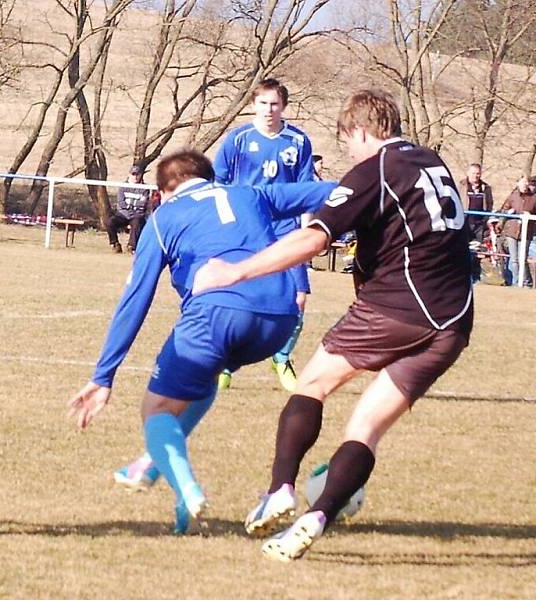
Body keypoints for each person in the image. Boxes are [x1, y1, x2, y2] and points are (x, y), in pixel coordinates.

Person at [193, 89, 473, 561]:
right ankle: (315, 517)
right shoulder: (430, 159)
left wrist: (235, 271)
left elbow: (312, 239)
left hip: (399, 306)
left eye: (347, 143)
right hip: (455, 317)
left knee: (311, 384)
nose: (348, 153)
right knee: (364, 427)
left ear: (360, 131)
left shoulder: (373, 170)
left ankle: (281, 489)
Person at [68, 149, 335, 533]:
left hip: (218, 312)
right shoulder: (249, 194)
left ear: (162, 192)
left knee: (155, 409)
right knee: (205, 379)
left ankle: (187, 490)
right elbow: (327, 192)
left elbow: (135, 299)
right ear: (210, 179)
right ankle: (154, 469)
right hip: (280, 317)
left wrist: (104, 374)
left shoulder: (163, 218)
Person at [212, 78, 315, 393]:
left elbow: (306, 190)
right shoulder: (238, 139)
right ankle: (227, 365)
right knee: (241, 297)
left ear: (283, 106)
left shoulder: (298, 141)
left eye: (275, 104)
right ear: (253, 104)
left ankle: (282, 358)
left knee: (298, 298)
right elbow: (218, 182)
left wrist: (309, 230)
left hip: (286, 229)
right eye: (263, 103)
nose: (269, 109)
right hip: (248, 227)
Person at [458, 163, 493, 283]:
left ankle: (476, 277)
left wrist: (485, 219)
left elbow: (489, 204)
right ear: (468, 173)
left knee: (478, 251)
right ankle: (463, 276)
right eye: (473, 173)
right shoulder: (461, 186)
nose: (476, 176)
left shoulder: (486, 188)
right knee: (464, 249)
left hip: (479, 223)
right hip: (465, 222)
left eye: (478, 173)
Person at [498, 175, 536, 287]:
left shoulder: (533, 198)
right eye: (522, 183)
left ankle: (527, 282)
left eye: (526, 183)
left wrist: (531, 216)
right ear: (518, 183)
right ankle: (515, 284)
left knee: (522, 259)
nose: (524, 185)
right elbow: (503, 210)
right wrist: (507, 214)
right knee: (514, 260)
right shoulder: (512, 196)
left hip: (526, 232)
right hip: (512, 231)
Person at [106, 165, 150, 253]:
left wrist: (131, 205)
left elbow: (142, 203)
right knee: (110, 222)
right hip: (123, 214)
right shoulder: (123, 187)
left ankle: (131, 246)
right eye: (133, 174)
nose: (136, 177)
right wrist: (132, 206)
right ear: (129, 175)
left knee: (137, 224)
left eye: (138, 174)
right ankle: (115, 244)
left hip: (137, 215)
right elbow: (121, 202)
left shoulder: (145, 188)